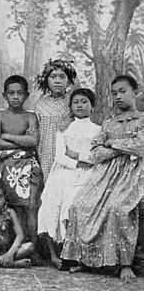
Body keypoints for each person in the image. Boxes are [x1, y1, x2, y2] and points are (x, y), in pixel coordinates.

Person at [61, 75, 144, 281]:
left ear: (136, 92)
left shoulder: (143, 120)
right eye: (114, 93)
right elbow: (96, 153)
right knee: (79, 205)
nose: (118, 96)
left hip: (134, 173)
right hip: (105, 174)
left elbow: (140, 147)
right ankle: (84, 259)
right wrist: (121, 145)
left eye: (123, 91)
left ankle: (125, 263)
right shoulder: (108, 124)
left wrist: (112, 144)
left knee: (119, 208)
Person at [38, 88, 100, 269]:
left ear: (92, 106)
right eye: (76, 102)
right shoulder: (64, 128)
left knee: (74, 205)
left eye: (84, 102)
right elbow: (60, 156)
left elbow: (97, 156)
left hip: (89, 174)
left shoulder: (99, 130)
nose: (80, 105)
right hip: (63, 173)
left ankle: (80, 255)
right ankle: (58, 254)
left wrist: (77, 155)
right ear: (70, 107)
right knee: (51, 205)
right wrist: (78, 162)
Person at [0, 75, 43, 246]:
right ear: (4, 95)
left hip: (29, 165)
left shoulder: (30, 116)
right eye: (11, 93)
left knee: (32, 206)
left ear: (26, 95)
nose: (15, 97)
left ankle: (33, 247)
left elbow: (33, 141)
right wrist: (20, 140)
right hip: (9, 167)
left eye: (19, 93)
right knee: (15, 208)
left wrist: (6, 136)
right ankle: (18, 246)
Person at [35, 58, 77, 183]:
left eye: (62, 77)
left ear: (68, 81)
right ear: (46, 80)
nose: (57, 81)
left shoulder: (73, 100)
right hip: (46, 149)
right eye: (53, 77)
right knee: (48, 182)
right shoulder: (41, 103)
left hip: (67, 149)